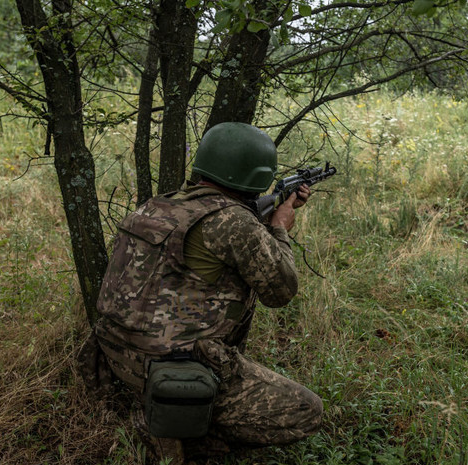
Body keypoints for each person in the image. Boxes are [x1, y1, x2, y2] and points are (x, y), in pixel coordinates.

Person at [90, 122, 323, 464]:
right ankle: (184, 426)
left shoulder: (158, 205)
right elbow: (280, 290)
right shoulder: (234, 222)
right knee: (308, 411)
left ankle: (164, 412)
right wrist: (279, 227)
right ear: (256, 173)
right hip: (172, 370)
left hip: (114, 357)